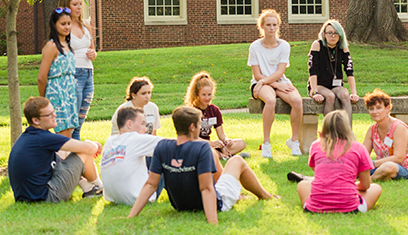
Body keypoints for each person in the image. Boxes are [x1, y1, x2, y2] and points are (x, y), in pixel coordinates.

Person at [128, 106, 276, 224]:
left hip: (179, 205)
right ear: (192, 127)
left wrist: (131, 216)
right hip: (216, 202)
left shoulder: (162, 147)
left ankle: (243, 196)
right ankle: (266, 196)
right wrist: (213, 222)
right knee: (237, 161)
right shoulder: (202, 148)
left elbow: (150, 185)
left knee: (224, 167)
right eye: (199, 124)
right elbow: (206, 188)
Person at [7, 97, 103, 202]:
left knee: (67, 149)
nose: (55, 116)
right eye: (49, 115)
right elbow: (89, 148)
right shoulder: (44, 138)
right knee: (83, 151)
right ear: (36, 120)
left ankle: (89, 189)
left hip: (27, 196)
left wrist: (87, 145)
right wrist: (92, 144)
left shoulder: (30, 136)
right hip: (46, 197)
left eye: (54, 112)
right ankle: (99, 187)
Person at [287, 110, 381, 213]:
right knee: (375, 188)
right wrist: (348, 185)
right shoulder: (358, 148)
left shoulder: (316, 145)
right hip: (351, 208)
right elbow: (366, 185)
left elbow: (316, 170)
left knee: (303, 185)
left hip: (315, 208)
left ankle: (310, 204)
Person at [249, 8, 303, 158]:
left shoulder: (284, 45)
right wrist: (271, 84)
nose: (271, 28)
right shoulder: (255, 47)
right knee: (271, 101)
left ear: (278, 26)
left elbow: (280, 72)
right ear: (262, 27)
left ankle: (294, 141)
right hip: (260, 83)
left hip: (278, 82)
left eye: (274, 25)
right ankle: (266, 144)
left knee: (297, 101)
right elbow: (257, 75)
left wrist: (277, 84)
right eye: (268, 25)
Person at [101, 107, 164, 206]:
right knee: (166, 158)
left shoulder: (110, 141)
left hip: (113, 198)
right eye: (143, 124)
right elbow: (171, 145)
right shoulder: (135, 138)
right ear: (129, 124)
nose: (145, 129)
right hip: (138, 198)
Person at [58, 0, 96, 141]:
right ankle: (63, 155)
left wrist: (93, 54)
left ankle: (75, 158)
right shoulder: (62, 26)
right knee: (71, 121)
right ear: (67, 6)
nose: (79, 7)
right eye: (75, 4)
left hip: (88, 75)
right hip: (73, 75)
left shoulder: (86, 25)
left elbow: (92, 49)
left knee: (80, 121)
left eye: (80, 4)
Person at [307, 19, 360, 124]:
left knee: (345, 95)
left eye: (336, 33)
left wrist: (354, 93)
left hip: (336, 85)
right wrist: (314, 92)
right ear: (324, 34)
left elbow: (349, 70)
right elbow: (312, 70)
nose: (333, 36)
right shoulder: (317, 45)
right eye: (330, 33)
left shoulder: (343, 47)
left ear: (340, 35)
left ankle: (347, 132)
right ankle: (330, 132)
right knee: (330, 96)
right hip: (319, 85)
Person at [185, 71, 247, 159]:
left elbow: (221, 134)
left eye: (209, 94)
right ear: (197, 94)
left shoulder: (214, 110)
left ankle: (221, 154)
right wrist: (211, 143)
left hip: (210, 145)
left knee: (241, 143)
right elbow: (191, 138)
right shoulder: (191, 111)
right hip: (196, 144)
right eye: (204, 95)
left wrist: (226, 140)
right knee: (205, 149)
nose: (207, 98)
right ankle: (222, 155)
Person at [362, 89, 408, 181]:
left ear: (387, 108)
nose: (374, 112)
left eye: (378, 108)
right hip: (379, 167)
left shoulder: (399, 127)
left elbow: (398, 158)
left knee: (388, 167)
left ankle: (368, 180)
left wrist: (372, 163)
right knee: (352, 167)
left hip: (402, 168)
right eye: (371, 109)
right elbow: (362, 155)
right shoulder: (372, 129)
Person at [37, 8, 78, 137]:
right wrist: (43, 100)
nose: (67, 27)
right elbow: (41, 77)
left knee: (69, 133)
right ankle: (62, 158)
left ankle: (66, 157)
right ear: (54, 25)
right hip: (57, 93)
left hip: (69, 93)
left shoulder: (66, 44)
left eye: (69, 23)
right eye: (63, 24)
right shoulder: (51, 46)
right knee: (63, 135)